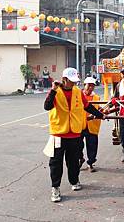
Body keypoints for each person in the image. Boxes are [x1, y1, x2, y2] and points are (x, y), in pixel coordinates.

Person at [44, 67, 105, 203]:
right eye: (71, 81)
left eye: (75, 81)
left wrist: (100, 115)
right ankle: (55, 188)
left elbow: (87, 106)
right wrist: (53, 90)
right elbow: (47, 106)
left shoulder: (78, 92)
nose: (74, 84)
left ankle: (74, 180)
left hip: (74, 134)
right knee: (55, 163)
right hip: (58, 134)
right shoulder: (55, 91)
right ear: (64, 79)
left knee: (73, 161)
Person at [79, 77, 102, 172]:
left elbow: (98, 108)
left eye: (92, 86)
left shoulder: (96, 98)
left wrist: (103, 112)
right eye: (89, 85)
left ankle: (90, 163)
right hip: (80, 125)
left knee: (92, 145)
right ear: (84, 85)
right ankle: (80, 158)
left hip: (92, 125)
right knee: (77, 145)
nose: (90, 88)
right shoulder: (78, 96)